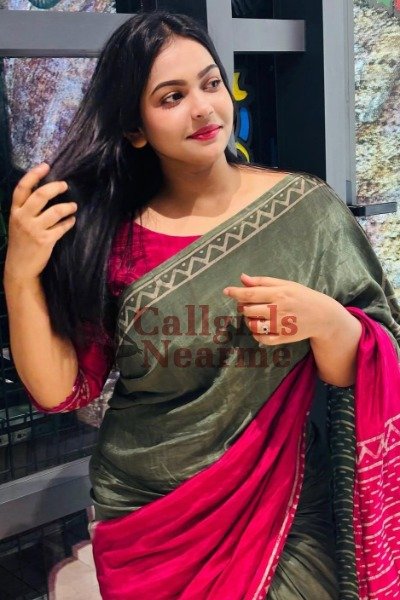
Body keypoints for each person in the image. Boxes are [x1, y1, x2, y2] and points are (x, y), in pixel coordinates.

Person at [3, 11, 400, 600]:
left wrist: (327, 321)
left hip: (284, 507)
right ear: (135, 128)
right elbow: (65, 391)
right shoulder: (111, 239)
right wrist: (19, 273)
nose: (203, 108)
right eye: (172, 97)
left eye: (211, 84)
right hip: (149, 518)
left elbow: (375, 361)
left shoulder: (307, 212)